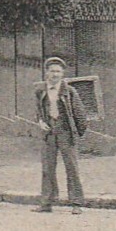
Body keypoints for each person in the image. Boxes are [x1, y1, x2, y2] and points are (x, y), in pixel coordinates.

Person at [33, 57, 87, 214]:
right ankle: (46, 203)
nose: (55, 74)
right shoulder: (40, 90)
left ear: (63, 73)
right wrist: (40, 122)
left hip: (66, 133)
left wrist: (78, 133)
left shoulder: (69, 92)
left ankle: (76, 203)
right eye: (52, 71)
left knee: (71, 167)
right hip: (49, 133)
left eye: (58, 71)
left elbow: (80, 113)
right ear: (46, 73)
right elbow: (37, 110)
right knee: (47, 168)